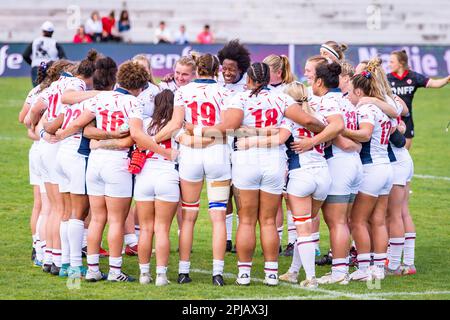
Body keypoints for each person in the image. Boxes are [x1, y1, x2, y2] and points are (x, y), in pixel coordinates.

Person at [194, 62, 325, 286]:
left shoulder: (240, 98)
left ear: (249, 79)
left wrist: (195, 130)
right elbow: (310, 121)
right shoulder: (281, 98)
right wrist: (324, 132)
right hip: (273, 161)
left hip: (246, 159)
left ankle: (244, 274)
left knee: (246, 220)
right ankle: (271, 273)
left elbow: (226, 128)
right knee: (268, 222)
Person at [55, 60, 149, 282]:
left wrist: (62, 133)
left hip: (95, 163)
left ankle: (93, 270)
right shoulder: (132, 103)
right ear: (138, 87)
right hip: (117, 165)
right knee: (116, 220)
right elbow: (134, 134)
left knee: (97, 219)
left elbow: (82, 126)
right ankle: (115, 272)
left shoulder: (100, 97)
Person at [152, 53, 230, 286]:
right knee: (218, 217)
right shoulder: (225, 92)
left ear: (198, 69)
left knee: (188, 216)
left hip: (191, 157)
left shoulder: (183, 91)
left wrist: (152, 140)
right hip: (218, 153)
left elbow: (175, 125)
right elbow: (227, 128)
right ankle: (217, 273)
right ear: (217, 70)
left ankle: (183, 271)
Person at [55, 56, 120, 279]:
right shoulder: (96, 100)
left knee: (66, 211)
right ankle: (73, 265)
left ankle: (63, 262)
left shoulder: (80, 97)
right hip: (77, 154)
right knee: (78, 213)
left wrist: (52, 133)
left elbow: (60, 117)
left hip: (62, 152)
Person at [342, 66, 394, 282]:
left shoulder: (365, 109)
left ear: (359, 92)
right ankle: (379, 267)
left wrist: (338, 129)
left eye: (351, 91)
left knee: (357, 220)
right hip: (385, 167)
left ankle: (364, 267)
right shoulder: (380, 108)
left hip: (371, 169)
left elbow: (364, 134)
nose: (349, 95)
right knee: (378, 220)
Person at [131, 90, 180, 286]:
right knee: (162, 230)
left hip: (144, 176)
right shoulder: (178, 126)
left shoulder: (144, 124)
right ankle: (161, 276)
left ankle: (144, 274)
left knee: (145, 229)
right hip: (167, 176)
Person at [217, 39, 251, 253]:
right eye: (225, 67)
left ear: (241, 68)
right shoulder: (216, 82)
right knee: (223, 193)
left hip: (239, 144)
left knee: (239, 192)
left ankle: (240, 236)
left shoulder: (248, 85)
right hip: (220, 144)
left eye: (232, 69)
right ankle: (227, 238)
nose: (227, 72)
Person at [262, 54, 296, 256]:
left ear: (278, 73)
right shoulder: (265, 90)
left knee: (290, 197)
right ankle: (277, 241)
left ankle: (293, 241)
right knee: (275, 198)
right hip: (273, 146)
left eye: (268, 72)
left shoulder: (289, 90)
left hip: (289, 146)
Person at [387, 49, 450, 150]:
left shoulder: (413, 77)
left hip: (407, 120)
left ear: (401, 63)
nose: (389, 64)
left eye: (392, 62)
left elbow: (434, 83)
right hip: (390, 119)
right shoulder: (387, 79)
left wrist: (447, 79)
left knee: (405, 154)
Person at [22, 21, 66, 87]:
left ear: (42, 31)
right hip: (50, 67)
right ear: (52, 32)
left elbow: (25, 55)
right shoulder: (55, 43)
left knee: (37, 89)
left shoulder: (35, 42)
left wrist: (32, 63)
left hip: (37, 67)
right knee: (49, 89)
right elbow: (63, 59)